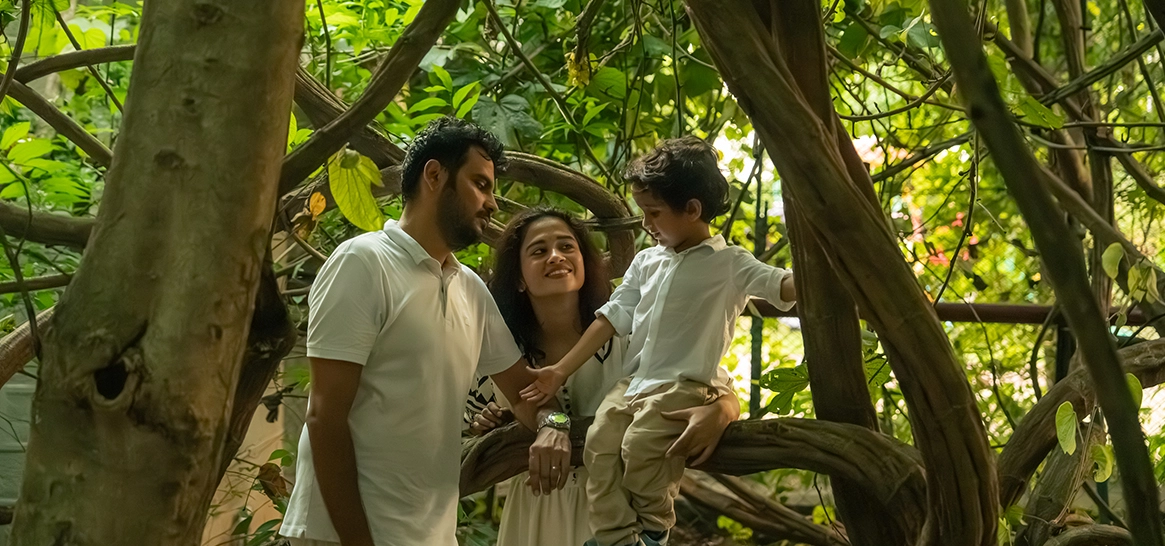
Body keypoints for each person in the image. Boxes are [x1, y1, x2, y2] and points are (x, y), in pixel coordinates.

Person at [279, 118, 571, 546]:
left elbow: (528, 395)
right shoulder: (362, 263)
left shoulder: (469, 287)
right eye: (480, 184)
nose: (491, 203)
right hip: (339, 535)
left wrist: (557, 424)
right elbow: (325, 417)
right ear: (434, 175)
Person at [520, 137, 797, 546]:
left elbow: (781, 287)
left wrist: (819, 267)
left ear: (692, 210)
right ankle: (615, 537)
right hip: (631, 385)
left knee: (642, 449)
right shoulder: (648, 261)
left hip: (682, 386)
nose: (646, 223)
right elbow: (613, 315)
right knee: (599, 445)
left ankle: (652, 528)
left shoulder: (730, 264)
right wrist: (560, 371)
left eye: (653, 213)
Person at [465, 207, 743, 546]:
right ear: (519, 278)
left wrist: (721, 412)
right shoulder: (501, 351)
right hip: (536, 506)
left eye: (567, 247)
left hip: (620, 517)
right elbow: (471, 430)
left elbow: (719, 388)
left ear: (584, 262)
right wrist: (499, 423)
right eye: (539, 251)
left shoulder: (629, 333)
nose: (556, 257)